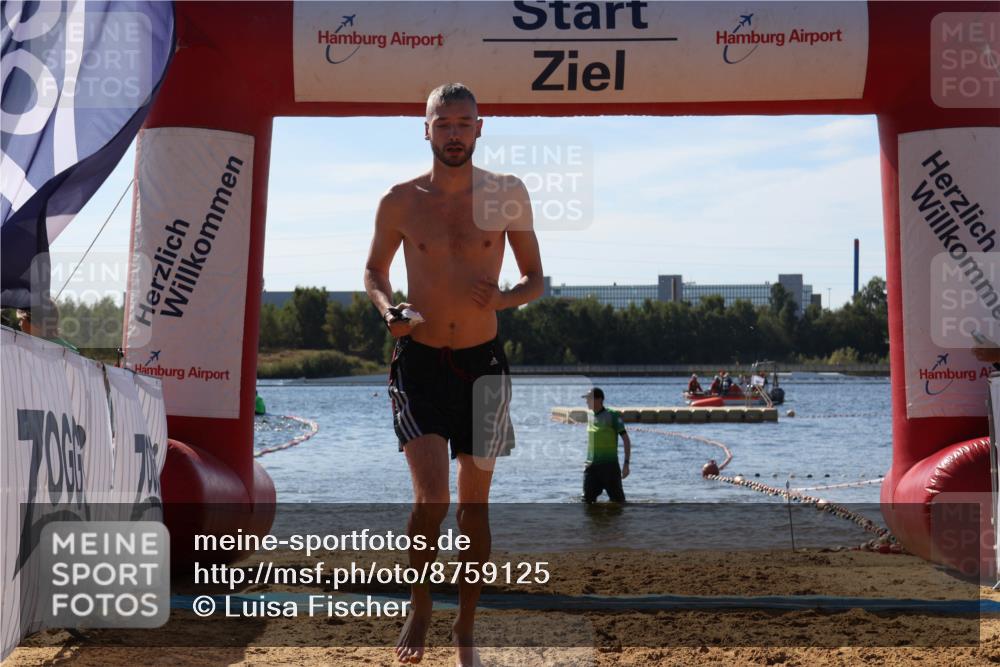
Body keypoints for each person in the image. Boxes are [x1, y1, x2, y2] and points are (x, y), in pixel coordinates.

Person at [364, 82, 543, 666]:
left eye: (464, 123)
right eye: (443, 124)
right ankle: (420, 604)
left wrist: (503, 299)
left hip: (483, 365)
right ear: (427, 130)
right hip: (418, 362)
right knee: (433, 500)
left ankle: (465, 625)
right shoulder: (399, 200)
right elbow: (374, 272)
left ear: (479, 128)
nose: (454, 133)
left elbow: (535, 279)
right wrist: (388, 310)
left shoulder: (507, 194)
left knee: (474, 509)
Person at [582, 387, 631, 503]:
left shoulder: (612, 415)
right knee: (587, 501)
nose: (586, 401)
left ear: (599, 400)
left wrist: (626, 464)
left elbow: (626, 440)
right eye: (586, 399)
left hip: (609, 466)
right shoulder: (589, 415)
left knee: (618, 503)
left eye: (589, 398)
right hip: (591, 467)